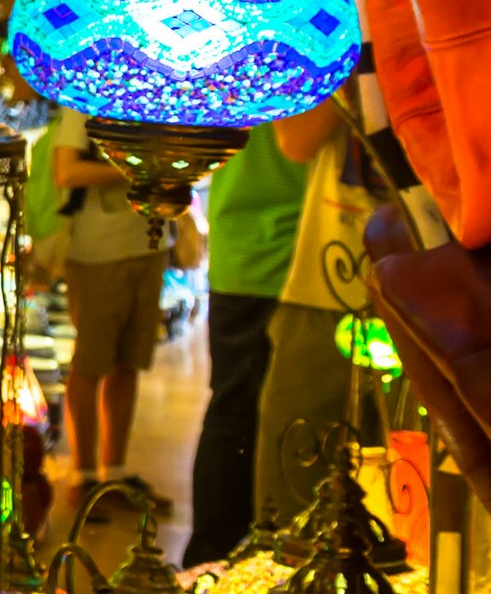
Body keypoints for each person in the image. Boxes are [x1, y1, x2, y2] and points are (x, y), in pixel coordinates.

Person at [182, 120, 308, 564]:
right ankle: (222, 560)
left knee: (234, 409)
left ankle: (212, 560)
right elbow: (301, 142)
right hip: (283, 249)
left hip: (251, 244)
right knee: (256, 415)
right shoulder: (312, 53)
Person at [41, 109, 162, 504]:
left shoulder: (158, 96)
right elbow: (67, 172)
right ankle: (84, 476)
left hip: (149, 242)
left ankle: (114, 472)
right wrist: (141, 170)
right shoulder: (86, 99)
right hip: (97, 251)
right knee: (91, 363)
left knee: (130, 362)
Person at [256, 97, 364, 527]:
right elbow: (297, 140)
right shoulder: (345, 36)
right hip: (326, 278)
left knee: (403, 481)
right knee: (293, 478)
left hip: (436, 281)